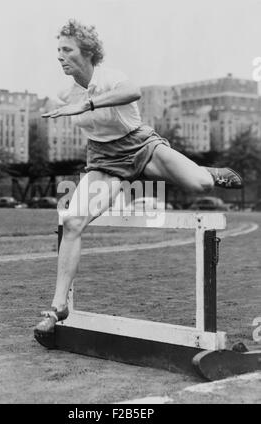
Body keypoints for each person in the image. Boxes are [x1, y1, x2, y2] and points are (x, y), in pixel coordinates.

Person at [34, 19, 243, 335]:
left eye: (67, 49)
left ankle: (207, 173)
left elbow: (134, 92)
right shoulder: (65, 94)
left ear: (87, 52)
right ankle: (57, 306)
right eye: (58, 50)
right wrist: (73, 107)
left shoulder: (110, 77)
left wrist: (87, 103)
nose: (60, 56)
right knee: (73, 222)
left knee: (199, 184)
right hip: (104, 161)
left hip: (141, 146)